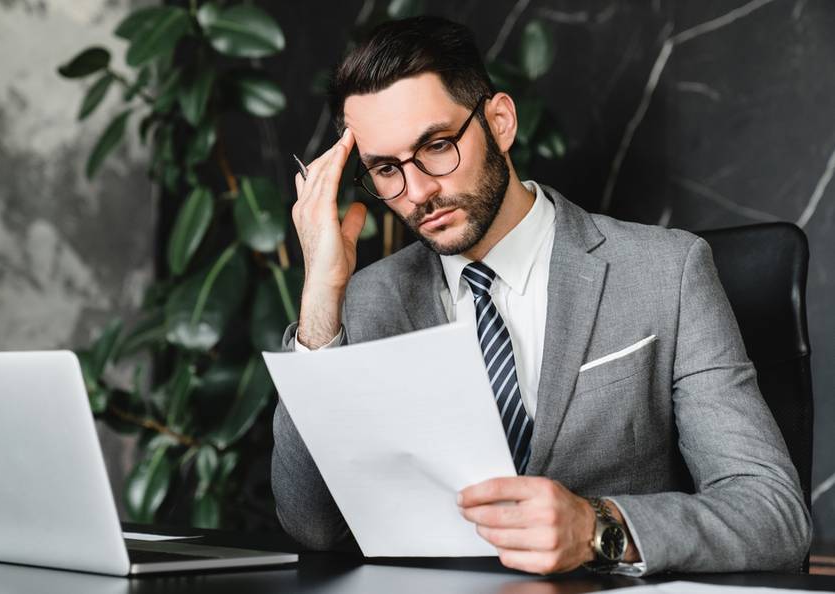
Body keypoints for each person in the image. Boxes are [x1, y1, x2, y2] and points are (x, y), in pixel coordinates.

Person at [271, 16, 810, 575]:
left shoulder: (667, 272)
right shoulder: (362, 302)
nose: (419, 192)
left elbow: (772, 514)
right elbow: (312, 526)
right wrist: (319, 302)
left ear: (500, 121)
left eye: (436, 145)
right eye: (386, 169)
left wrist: (597, 528)